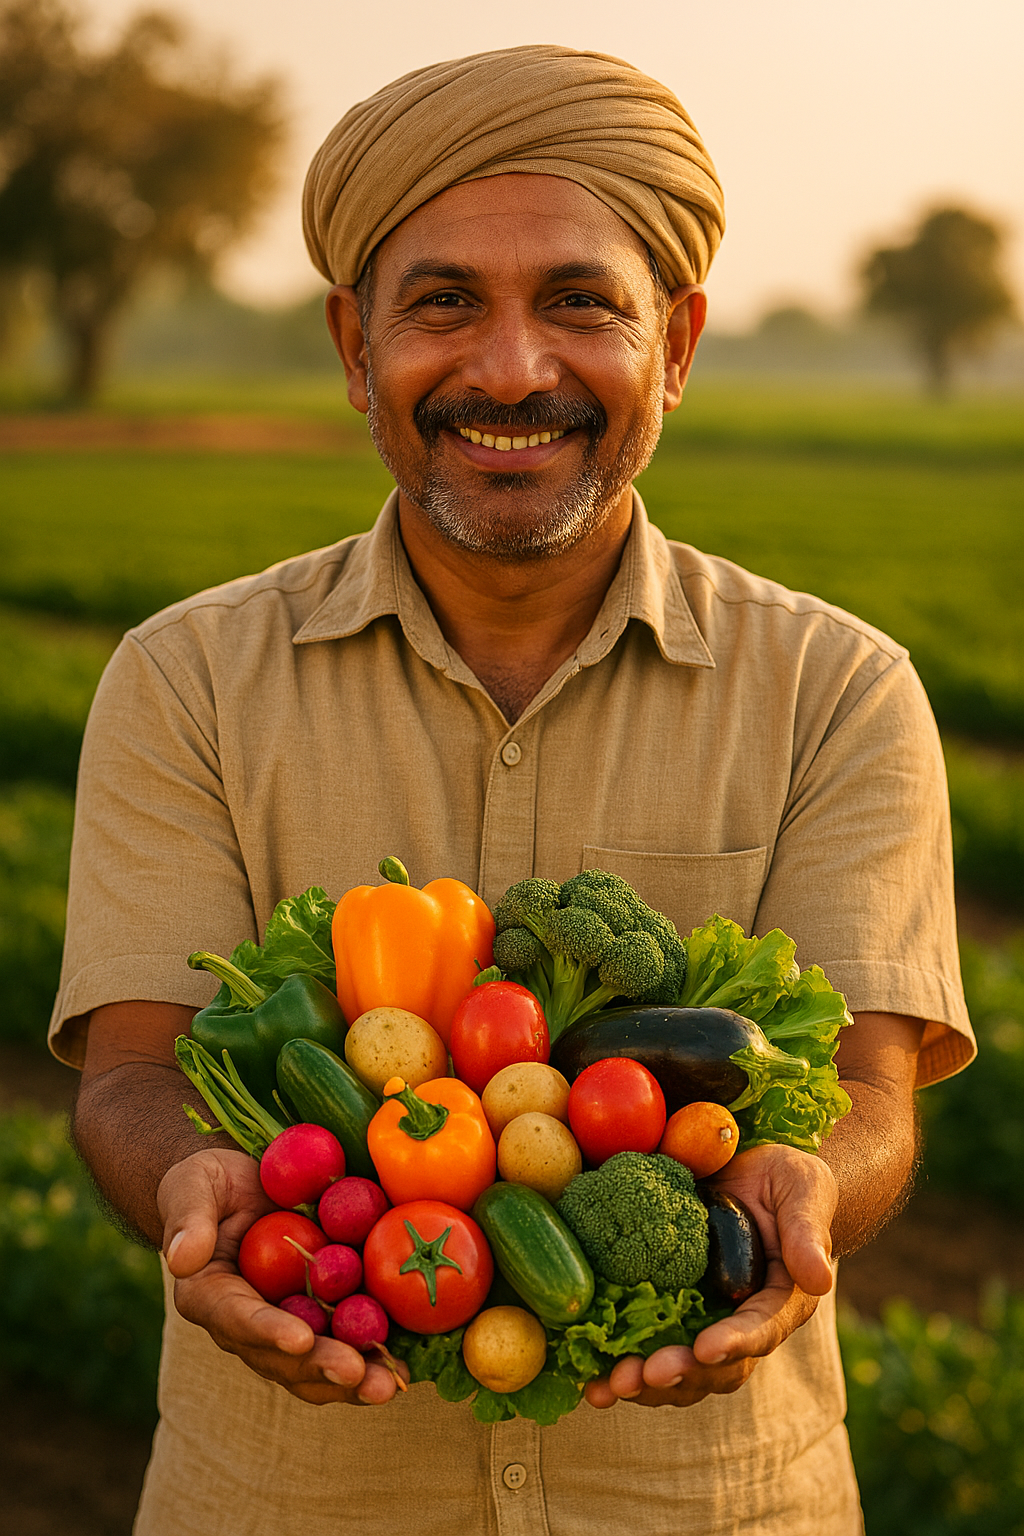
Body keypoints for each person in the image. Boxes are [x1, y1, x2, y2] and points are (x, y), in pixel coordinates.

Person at [57, 43, 973, 1536]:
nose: (509, 371)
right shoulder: (185, 681)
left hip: (718, 1505)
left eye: (579, 303)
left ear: (672, 345)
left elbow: (867, 1084)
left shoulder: (838, 689)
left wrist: (813, 1183)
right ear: (355, 345)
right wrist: (191, 1183)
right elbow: (130, 1071)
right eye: (443, 305)